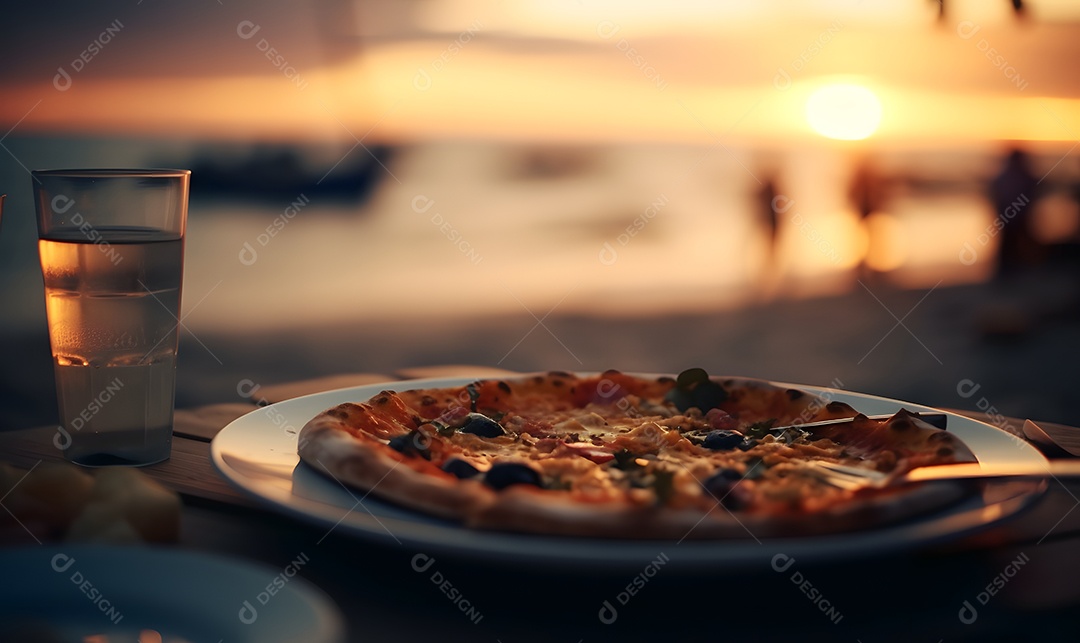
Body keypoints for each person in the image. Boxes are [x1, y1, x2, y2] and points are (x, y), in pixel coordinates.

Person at [989, 148, 1039, 279]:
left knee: (1015, 246)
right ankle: (1008, 272)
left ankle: (1011, 272)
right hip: (1011, 218)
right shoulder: (1016, 175)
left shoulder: (1007, 175)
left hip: (1014, 218)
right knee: (1010, 245)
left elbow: (995, 195)